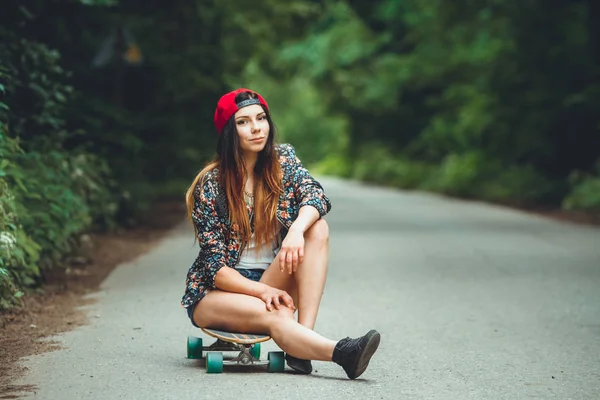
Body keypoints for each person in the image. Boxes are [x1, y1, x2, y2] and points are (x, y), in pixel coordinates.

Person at [181, 88, 380, 379]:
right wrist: (264, 292)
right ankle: (342, 352)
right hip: (220, 293)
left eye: (261, 118)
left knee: (317, 227)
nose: (256, 128)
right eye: (243, 122)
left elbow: (316, 196)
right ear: (228, 132)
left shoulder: (282, 161)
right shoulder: (210, 186)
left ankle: (301, 345)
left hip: (272, 277)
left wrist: (296, 231)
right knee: (277, 313)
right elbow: (217, 271)